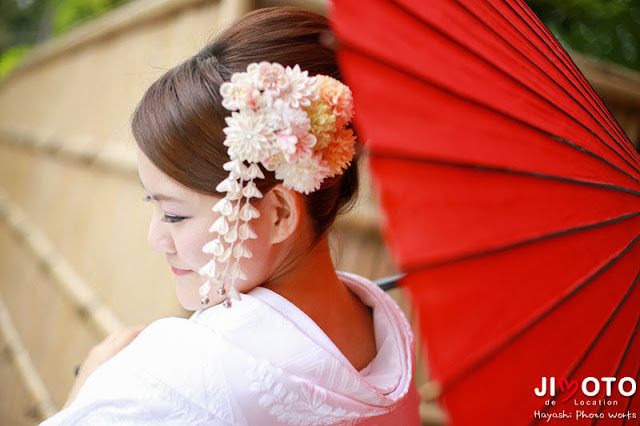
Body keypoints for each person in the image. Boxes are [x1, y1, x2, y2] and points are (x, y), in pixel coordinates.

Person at [41, 7, 420, 425]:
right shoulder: (385, 326)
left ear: (278, 214)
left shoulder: (169, 380)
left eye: (174, 215)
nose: (156, 238)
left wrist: (84, 395)